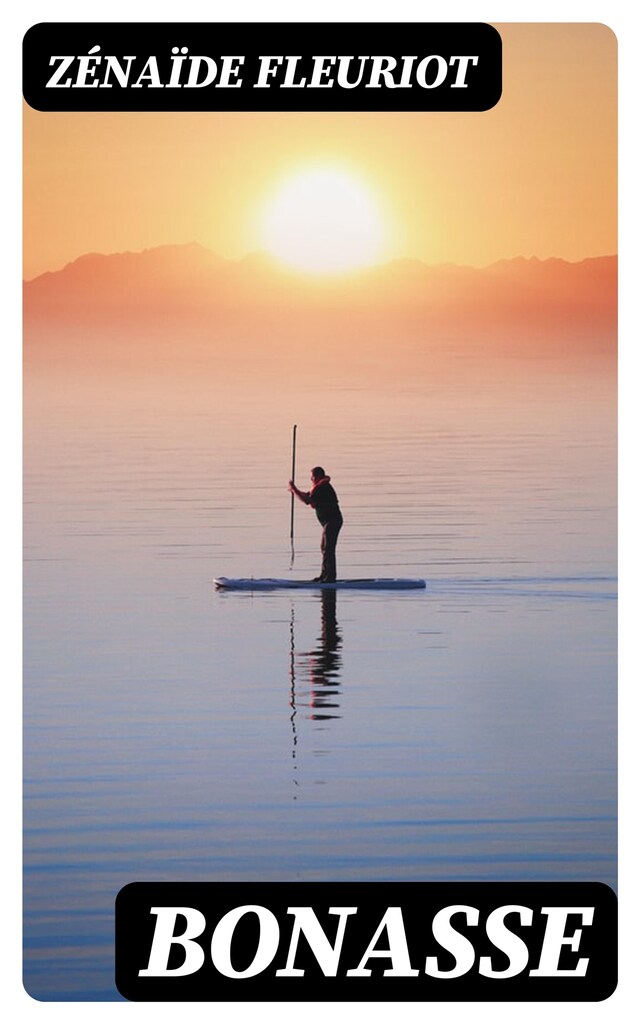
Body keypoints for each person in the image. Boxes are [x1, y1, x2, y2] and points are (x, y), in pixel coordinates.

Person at [289, 467, 343, 582]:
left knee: (328, 548)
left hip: (333, 521)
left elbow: (307, 500)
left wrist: (294, 490)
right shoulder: (318, 487)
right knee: (324, 547)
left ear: (318, 476)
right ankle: (324, 575)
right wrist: (295, 491)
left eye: (312, 477)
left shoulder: (323, 487)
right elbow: (307, 495)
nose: (311, 479)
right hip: (328, 522)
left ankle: (330, 577)